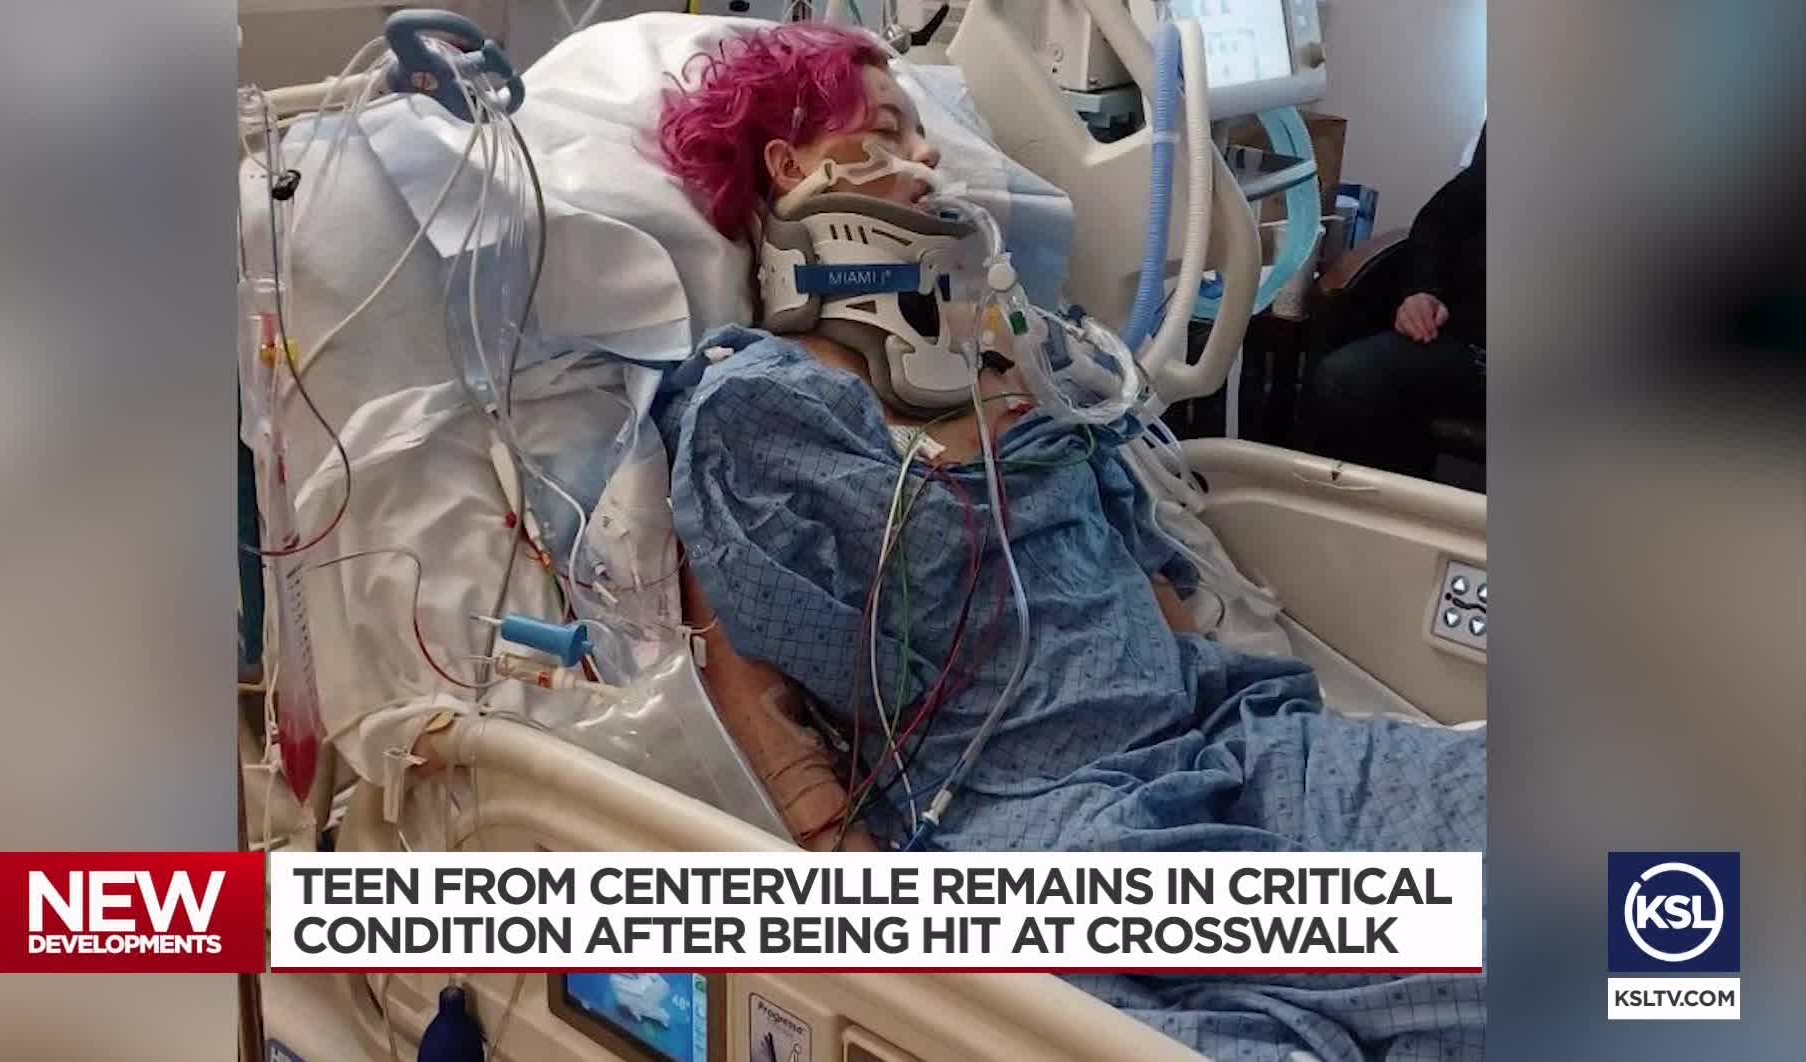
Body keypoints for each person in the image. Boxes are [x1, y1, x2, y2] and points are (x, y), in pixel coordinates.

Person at [635, 24, 1485, 1061]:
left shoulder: (1016, 364)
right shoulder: (763, 411)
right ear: (791, 164)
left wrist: (1232, 695)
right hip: (1043, 822)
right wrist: (874, 924)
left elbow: (1149, 579)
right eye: (889, 129)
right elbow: (754, 698)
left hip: (1222, 742)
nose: (928, 154)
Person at [1295, 124, 1486, 479]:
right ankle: (1379, 507)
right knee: (1344, 377)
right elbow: (1437, 222)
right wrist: (1423, 291)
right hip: (1468, 344)